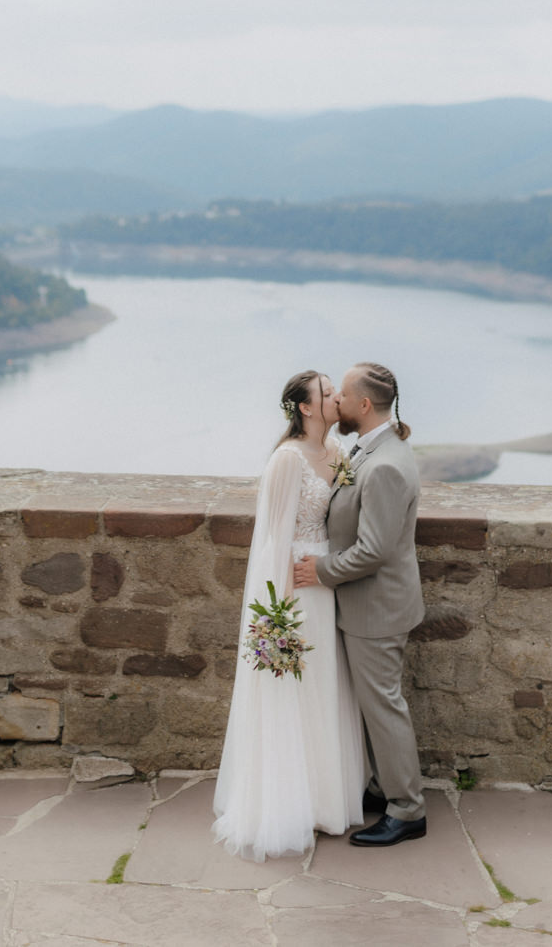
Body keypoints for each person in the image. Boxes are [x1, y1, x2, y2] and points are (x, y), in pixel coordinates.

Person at [212, 370, 365, 861]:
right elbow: (272, 539)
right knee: (290, 690)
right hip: (293, 588)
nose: (334, 397)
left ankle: (326, 800)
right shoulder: (287, 459)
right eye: (325, 393)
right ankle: (286, 804)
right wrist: (275, 616)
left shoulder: (339, 455)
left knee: (325, 686)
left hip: (326, 583)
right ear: (305, 407)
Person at [293, 362, 426, 847]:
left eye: (343, 397)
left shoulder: (386, 463)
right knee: (370, 707)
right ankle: (380, 787)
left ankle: (408, 809)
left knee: (383, 707)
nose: (338, 404)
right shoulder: (373, 448)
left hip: (377, 609)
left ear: (364, 405)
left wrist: (320, 572)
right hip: (368, 606)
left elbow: (376, 550)